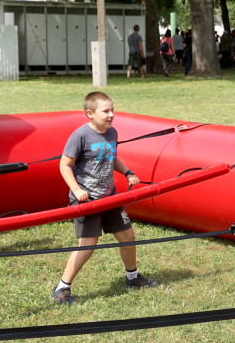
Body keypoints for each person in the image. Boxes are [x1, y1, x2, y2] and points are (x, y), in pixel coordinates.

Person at [50, 91, 158, 305]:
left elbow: (111, 155)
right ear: (90, 113)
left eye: (112, 110)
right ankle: (62, 288)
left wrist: (127, 172)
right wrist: (77, 190)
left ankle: (132, 277)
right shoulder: (80, 135)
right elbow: (64, 165)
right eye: (105, 111)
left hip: (110, 197)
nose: (111, 115)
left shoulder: (112, 133)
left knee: (127, 235)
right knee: (88, 245)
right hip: (87, 200)